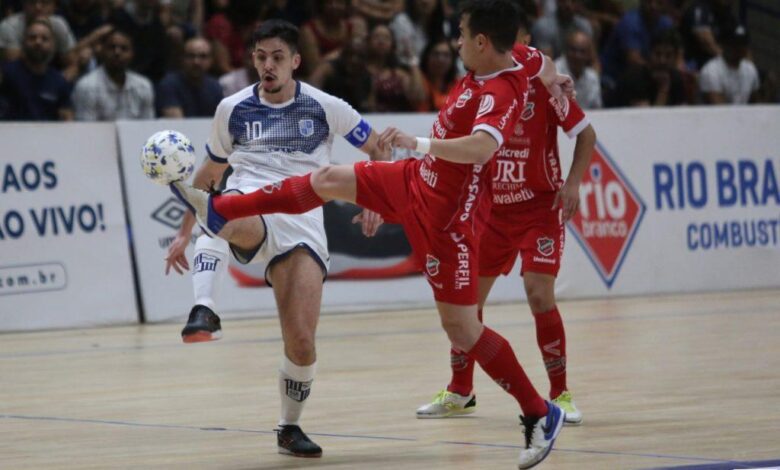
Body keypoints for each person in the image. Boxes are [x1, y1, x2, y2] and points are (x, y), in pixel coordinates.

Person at [169, 2, 574, 467]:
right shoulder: (517, 59)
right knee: (326, 179)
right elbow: (538, 60)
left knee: (462, 329)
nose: (455, 42)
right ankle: (221, 209)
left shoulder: (499, 91)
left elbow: (483, 147)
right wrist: (553, 77)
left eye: (461, 36)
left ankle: (539, 412)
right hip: (415, 180)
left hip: (448, 219)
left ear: (482, 43)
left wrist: (417, 142)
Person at [163, 19, 387, 458]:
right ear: (252, 60)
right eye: (261, 56)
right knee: (220, 207)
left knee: (301, 343)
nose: (268, 65)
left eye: (278, 57)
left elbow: (379, 148)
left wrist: (375, 200)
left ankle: (288, 428)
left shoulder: (326, 106)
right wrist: (182, 231)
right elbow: (209, 176)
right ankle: (204, 310)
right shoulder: (232, 108)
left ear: (295, 62)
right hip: (250, 200)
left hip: (302, 218)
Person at [414, 19, 596, 426]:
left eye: (516, 42)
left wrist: (574, 183)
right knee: (467, 305)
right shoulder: (479, 86)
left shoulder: (546, 88)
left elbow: (586, 135)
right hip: (491, 211)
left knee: (538, 294)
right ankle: (461, 391)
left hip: (539, 210)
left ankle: (560, 394)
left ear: (525, 44)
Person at [72, 28, 155, 120]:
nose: (117, 52)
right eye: (112, 47)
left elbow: (147, 127)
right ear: (102, 51)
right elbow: (85, 130)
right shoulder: (87, 86)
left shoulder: (143, 86)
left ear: (132, 54)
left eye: (124, 49)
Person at [0, 18, 73, 121]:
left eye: (44, 39)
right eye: (32, 38)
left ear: (53, 46)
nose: (38, 42)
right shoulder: (5, 73)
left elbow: (67, 119)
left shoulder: (59, 81)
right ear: (23, 42)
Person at [156, 36, 223, 117]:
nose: (196, 62)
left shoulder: (215, 87)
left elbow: (219, 122)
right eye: (191, 56)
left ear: (211, 60)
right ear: (182, 59)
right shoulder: (169, 84)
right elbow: (176, 124)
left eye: (203, 56)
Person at [699, 24, 759, 105]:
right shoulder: (711, 71)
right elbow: (719, 110)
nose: (740, 48)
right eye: (735, 44)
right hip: (717, 117)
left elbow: (756, 105)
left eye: (743, 44)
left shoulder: (750, 69)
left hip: (745, 116)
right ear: (724, 44)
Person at [555, 30, 602, 109]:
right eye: (573, 50)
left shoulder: (592, 77)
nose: (577, 55)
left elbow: (597, 109)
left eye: (582, 51)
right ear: (566, 50)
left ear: (589, 54)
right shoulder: (554, 72)